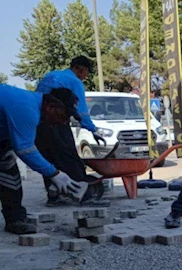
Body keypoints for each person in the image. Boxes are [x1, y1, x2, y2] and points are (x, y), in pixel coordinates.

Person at [0, 85, 84, 234]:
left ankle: (15, 219)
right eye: (64, 115)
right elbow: (25, 149)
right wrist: (54, 174)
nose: (64, 122)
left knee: (9, 173)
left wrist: (10, 148)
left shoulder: (31, 105)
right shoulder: (27, 109)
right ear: (51, 107)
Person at [36, 56, 106, 204]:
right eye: (87, 73)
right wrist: (92, 130)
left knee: (49, 159)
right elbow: (81, 111)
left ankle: (54, 195)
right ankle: (84, 195)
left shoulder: (51, 75)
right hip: (57, 122)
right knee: (70, 158)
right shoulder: (74, 82)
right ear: (82, 69)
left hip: (39, 123)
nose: (86, 76)